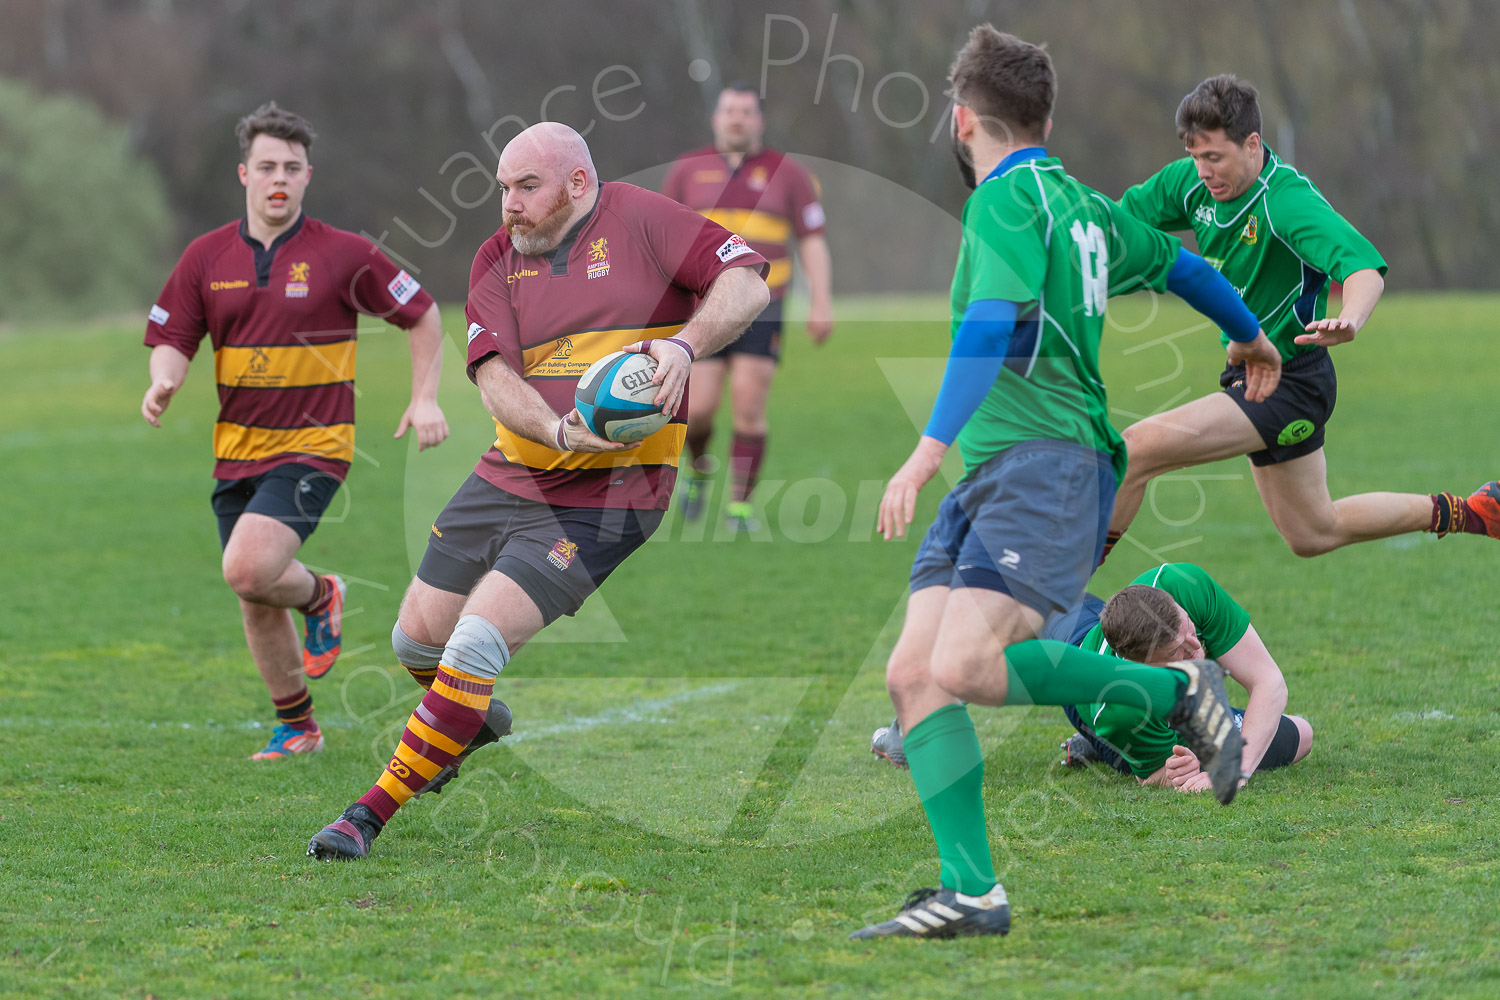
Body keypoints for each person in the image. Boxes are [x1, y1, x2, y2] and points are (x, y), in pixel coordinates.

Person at [851, 26, 1286, 941]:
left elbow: (991, 324)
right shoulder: (1084, 205)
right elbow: (1186, 268)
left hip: (1046, 467)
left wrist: (926, 449)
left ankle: (1175, 694)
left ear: (964, 120)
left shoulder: (1004, 200)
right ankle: (972, 893)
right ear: (1044, 119)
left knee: (965, 667)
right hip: (998, 476)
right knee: (914, 676)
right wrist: (1251, 337)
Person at [306, 122, 770, 861]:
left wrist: (684, 346)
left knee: (474, 643)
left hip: (613, 495)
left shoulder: (643, 219)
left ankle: (365, 816)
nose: (510, 204)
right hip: (510, 473)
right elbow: (493, 378)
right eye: (503, 188)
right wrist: (558, 432)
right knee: (415, 641)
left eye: (527, 187)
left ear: (578, 184)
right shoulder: (497, 256)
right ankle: (468, 719)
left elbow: (746, 281)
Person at [141, 102, 449, 761]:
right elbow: (172, 336)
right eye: (266, 167)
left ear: (308, 175)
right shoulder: (205, 257)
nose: (278, 178)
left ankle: (321, 595)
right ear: (244, 174)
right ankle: (298, 727)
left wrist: (424, 398)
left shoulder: (343, 254)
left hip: (314, 446)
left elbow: (422, 314)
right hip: (236, 451)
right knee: (253, 593)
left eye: (291, 166)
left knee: (249, 567)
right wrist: (163, 380)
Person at [1102, 74, 1499, 565]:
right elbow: (1114, 228)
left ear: (1252, 144)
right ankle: (1474, 512)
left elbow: (1363, 269)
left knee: (1135, 450)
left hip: (1290, 382)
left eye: (1215, 157)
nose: (1203, 171)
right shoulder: (1189, 184)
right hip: (1249, 372)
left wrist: (1350, 319)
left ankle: (1062, 590)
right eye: (1195, 156)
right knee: (1313, 531)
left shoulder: (1285, 202)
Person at [662, 83, 834, 532]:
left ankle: (740, 507)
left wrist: (821, 299)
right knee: (698, 409)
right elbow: (664, 239)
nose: (737, 119)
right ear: (716, 119)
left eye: (745, 112)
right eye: (729, 111)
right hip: (705, 304)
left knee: (748, 406)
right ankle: (699, 468)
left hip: (766, 303)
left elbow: (812, 240)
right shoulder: (687, 171)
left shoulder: (789, 174)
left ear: (759, 120)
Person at [1058, 563, 1313, 791]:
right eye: (1175, 651)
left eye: (1188, 625)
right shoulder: (1122, 707)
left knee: (1302, 735)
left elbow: (1269, 681)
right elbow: (1150, 777)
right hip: (1080, 682)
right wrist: (1174, 773)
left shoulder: (1185, 586)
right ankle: (1101, 744)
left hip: (1097, 626)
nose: (1196, 647)